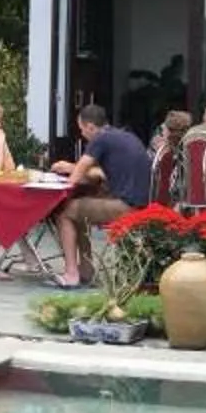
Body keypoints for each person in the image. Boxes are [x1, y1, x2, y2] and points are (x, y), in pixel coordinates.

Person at [51, 102, 151, 287]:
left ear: (90, 126)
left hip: (126, 207)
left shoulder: (100, 139)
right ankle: (86, 269)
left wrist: (64, 181)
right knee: (79, 211)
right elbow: (102, 173)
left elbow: (81, 169)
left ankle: (71, 275)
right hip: (142, 204)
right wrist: (73, 168)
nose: (82, 134)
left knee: (64, 212)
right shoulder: (124, 136)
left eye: (82, 129)